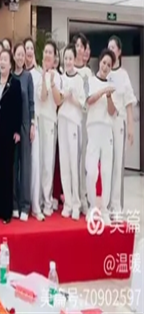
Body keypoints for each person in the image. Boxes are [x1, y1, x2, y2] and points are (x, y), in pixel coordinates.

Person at [85, 49, 117, 225]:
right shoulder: (90, 81)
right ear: (99, 62)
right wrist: (103, 91)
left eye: (109, 65)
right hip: (93, 128)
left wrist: (109, 96)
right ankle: (92, 207)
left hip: (107, 131)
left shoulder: (113, 86)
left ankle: (104, 209)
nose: (105, 67)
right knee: (92, 171)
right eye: (104, 63)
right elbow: (89, 100)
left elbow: (112, 112)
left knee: (106, 171)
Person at [107, 36, 136, 217]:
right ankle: (107, 203)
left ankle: (116, 206)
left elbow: (129, 102)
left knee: (118, 164)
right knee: (107, 164)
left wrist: (131, 126)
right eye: (108, 47)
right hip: (106, 123)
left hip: (119, 123)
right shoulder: (105, 72)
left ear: (119, 51)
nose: (110, 50)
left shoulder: (123, 75)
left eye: (113, 47)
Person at [0, 49, 22, 223]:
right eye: (0, 59)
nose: (2, 62)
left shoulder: (15, 83)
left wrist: (17, 130)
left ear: (10, 64)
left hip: (9, 131)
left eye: (5, 59)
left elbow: (19, 107)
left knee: (7, 171)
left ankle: (7, 211)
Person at [58, 44, 86, 221]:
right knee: (64, 163)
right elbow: (58, 100)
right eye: (66, 58)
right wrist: (63, 97)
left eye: (70, 58)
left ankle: (76, 203)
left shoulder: (79, 79)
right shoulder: (61, 78)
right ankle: (68, 203)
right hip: (62, 120)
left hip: (74, 122)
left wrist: (72, 97)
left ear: (75, 59)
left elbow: (83, 104)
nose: (68, 61)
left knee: (74, 164)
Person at [36, 40, 62, 217]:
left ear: (54, 57)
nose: (47, 55)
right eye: (45, 52)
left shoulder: (58, 77)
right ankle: (38, 199)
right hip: (39, 121)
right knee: (39, 162)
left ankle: (47, 200)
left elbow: (58, 101)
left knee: (48, 163)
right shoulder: (40, 75)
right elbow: (42, 97)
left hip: (50, 122)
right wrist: (45, 76)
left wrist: (51, 81)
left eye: (50, 52)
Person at [12, 42, 34, 222]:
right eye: (17, 54)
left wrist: (32, 124)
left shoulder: (28, 77)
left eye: (22, 54)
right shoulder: (10, 77)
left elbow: (31, 103)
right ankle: (14, 204)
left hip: (25, 125)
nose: (20, 57)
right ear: (13, 56)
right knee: (13, 166)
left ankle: (25, 205)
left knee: (25, 166)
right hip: (13, 127)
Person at [24, 37, 44, 221]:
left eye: (31, 48)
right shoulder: (19, 74)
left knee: (35, 164)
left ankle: (36, 205)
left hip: (34, 123)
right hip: (20, 124)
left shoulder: (38, 75)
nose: (29, 51)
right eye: (26, 48)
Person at [72, 33, 92, 215]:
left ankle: (84, 197)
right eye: (76, 45)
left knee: (82, 160)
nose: (79, 49)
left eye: (81, 46)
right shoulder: (69, 69)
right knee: (72, 160)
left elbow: (87, 98)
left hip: (84, 118)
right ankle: (73, 198)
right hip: (70, 119)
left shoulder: (87, 73)